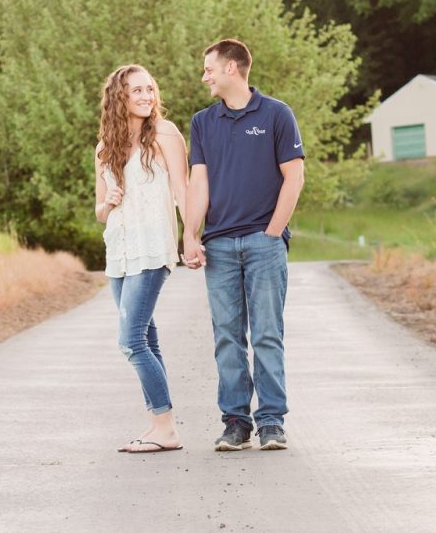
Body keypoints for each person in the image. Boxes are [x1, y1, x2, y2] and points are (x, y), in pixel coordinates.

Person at [182, 38, 305, 452]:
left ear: (231, 68)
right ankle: (236, 422)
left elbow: (294, 177)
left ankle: (271, 421)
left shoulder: (276, 114)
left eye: (208, 68)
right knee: (227, 336)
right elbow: (197, 182)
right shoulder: (202, 122)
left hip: (263, 242)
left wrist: (273, 232)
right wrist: (190, 234)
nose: (205, 76)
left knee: (268, 333)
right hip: (218, 245)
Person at [95, 63, 190, 453]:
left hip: (153, 247)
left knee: (131, 340)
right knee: (146, 336)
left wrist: (192, 238)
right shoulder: (105, 146)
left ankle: (165, 427)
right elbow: (99, 210)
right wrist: (108, 202)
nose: (147, 96)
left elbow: (183, 191)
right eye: (137, 90)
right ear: (120, 97)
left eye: (150, 89)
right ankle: (160, 425)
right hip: (119, 250)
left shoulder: (165, 134)